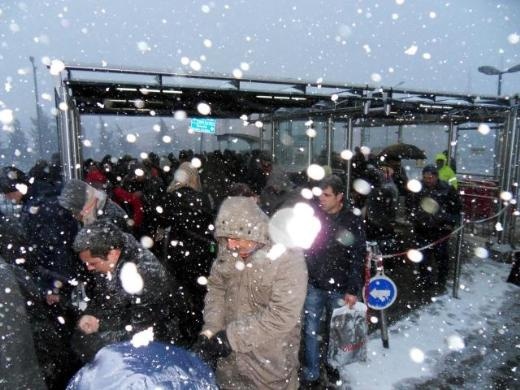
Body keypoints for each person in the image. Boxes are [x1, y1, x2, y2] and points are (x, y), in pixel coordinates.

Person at [192, 196, 308, 389]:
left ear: (256, 231)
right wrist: (211, 330)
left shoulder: (288, 257)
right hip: (229, 364)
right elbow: (217, 288)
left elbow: (282, 315)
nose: (231, 246)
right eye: (227, 239)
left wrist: (230, 338)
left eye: (237, 239)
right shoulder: (229, 248)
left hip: (268, 363)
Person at [71, 220, 183, 362]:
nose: (89, 268)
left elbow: (143, 332)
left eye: (92, 263)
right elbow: (105, 297)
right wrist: (92, 315)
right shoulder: (107, 253)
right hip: (130, 321)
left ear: (113, 254)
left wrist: (99, 342)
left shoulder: (145, 275)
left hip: (162, 343)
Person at [301, 175, 366, 388]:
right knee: (310, 330)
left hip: (339, 287)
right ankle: (311, 373)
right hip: (314, 284)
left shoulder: (351, 220)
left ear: (339, 196)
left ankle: (332, 365)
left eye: (327, 195)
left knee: (336, 331)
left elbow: (358, 256)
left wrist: (352, 288)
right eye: (320, 194)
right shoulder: (314, 215)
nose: (322, 199)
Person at [406, 165, 462, 291]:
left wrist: (449, 222)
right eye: (425, 177)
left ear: (436, 177)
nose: (428, 180)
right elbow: (410, 206)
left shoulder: (447, 189)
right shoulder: (417, 188)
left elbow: (456, 209)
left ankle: (441, 281)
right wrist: (414, 218)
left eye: (430, 177)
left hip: (441, 230)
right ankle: (424, 281)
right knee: (423, 258)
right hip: (422, 229)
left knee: (442, 257)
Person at [58, 178, 129, 230]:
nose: (73, 215)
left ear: (84, 205)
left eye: (74, 211)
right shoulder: (92, 212)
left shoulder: (111, 218)